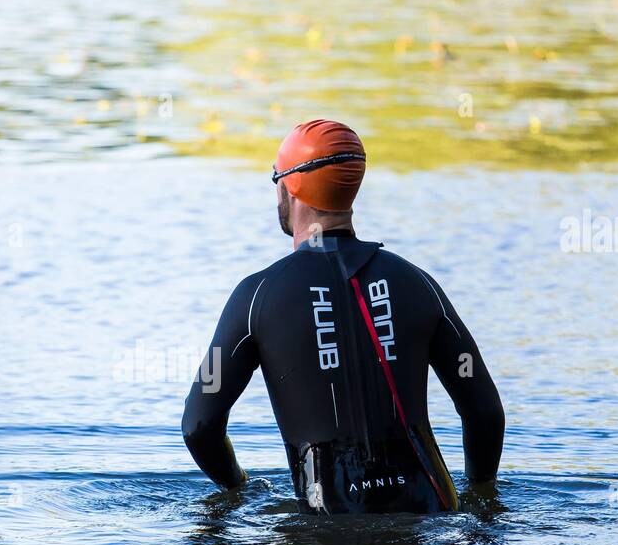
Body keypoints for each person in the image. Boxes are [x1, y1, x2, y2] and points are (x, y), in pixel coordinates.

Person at [181, 119, 505, 514]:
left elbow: (198, 426)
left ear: (291, 185)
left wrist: (239, 487)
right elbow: (484, 410)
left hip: (327, 519)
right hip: (431, 506)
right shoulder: (417, 283)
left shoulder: (255, 297)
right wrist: (482, 495)